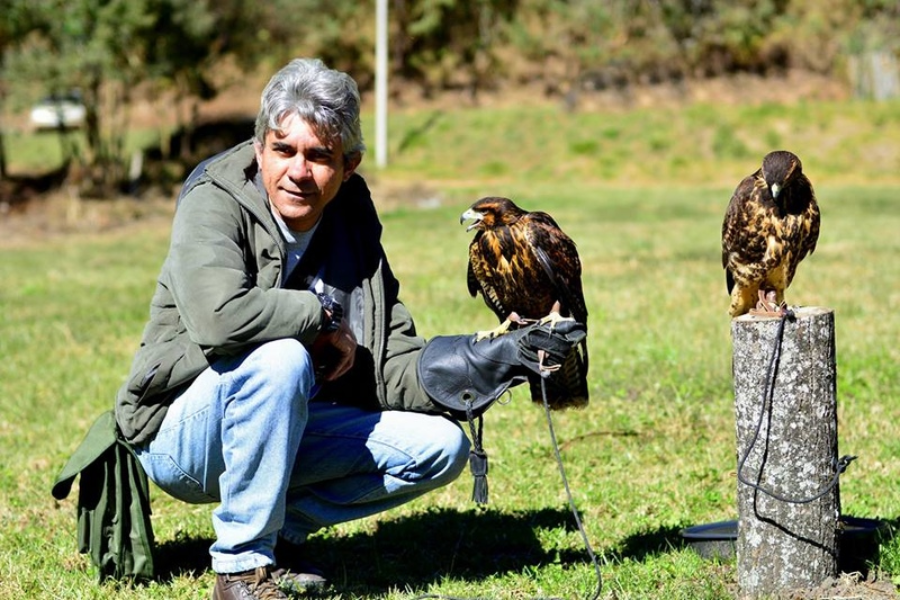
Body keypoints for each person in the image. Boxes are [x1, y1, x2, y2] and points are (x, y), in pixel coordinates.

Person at [114, 57, 586, 600]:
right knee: (282, 357)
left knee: (441, 448)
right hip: (178, 434)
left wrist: (486, 359)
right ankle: (241, 570)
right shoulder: (215, 199)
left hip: (285, 424)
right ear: (259, 147)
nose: (298, 170)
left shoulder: (351, 215)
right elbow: (221, 319)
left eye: (319, 156)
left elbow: (385, 359)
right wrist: (318, 321)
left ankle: (276, 531)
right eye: (283, 150)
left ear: (349, 165)